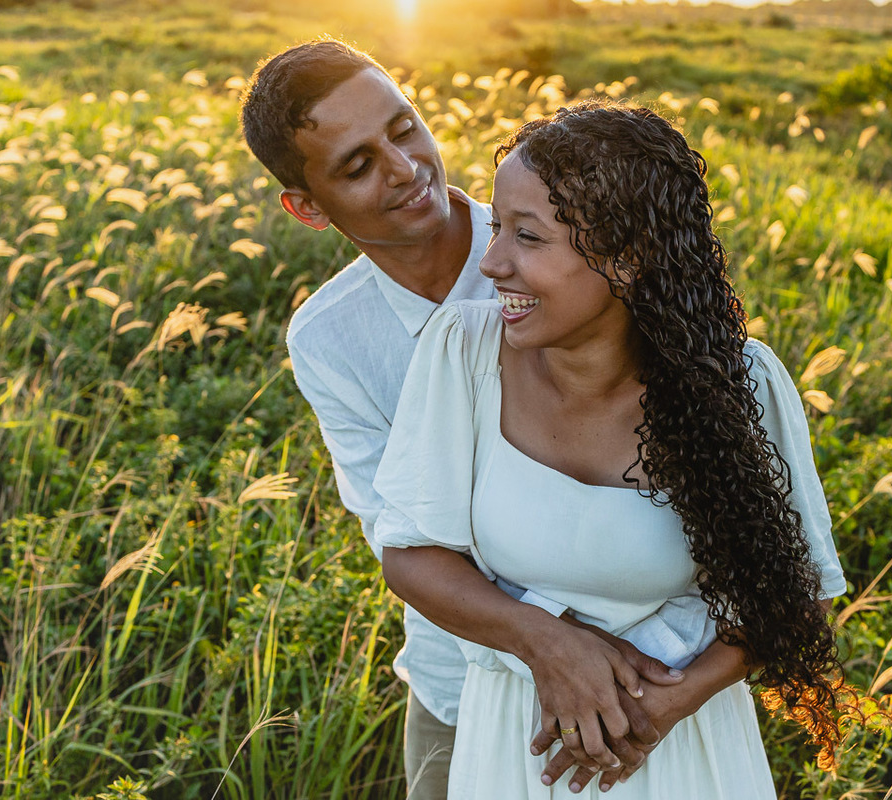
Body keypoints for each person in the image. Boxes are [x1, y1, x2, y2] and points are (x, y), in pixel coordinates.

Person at [239, 38, 687, 799]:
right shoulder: (330, 339)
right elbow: (401, 533)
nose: (405, 168)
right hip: (460, 686)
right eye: (358, 165)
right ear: (308, 208)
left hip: (647, 679)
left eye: (404, 128)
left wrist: (615, 663)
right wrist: (549, 641)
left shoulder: (580, 247)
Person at [372, 100, 848, 797]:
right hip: (513, 743)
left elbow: (796, 594)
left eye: (528, 236)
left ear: (627, 258)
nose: (493, 262)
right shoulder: (463, 351)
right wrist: (546, 643)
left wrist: (665, 707)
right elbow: (412, 554)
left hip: (679, 751)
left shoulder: (737, 383)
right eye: (497, 227)